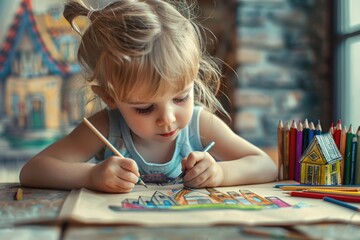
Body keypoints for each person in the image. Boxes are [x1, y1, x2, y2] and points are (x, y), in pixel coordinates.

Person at [20, 0, 277, 193]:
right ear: (110, 97)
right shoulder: (107, 127)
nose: (167, 119)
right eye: (144, 108)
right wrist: (91, 176)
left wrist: (220, 173)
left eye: (180, 98)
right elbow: (33, 171)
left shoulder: (201, 125)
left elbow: (265, 165)